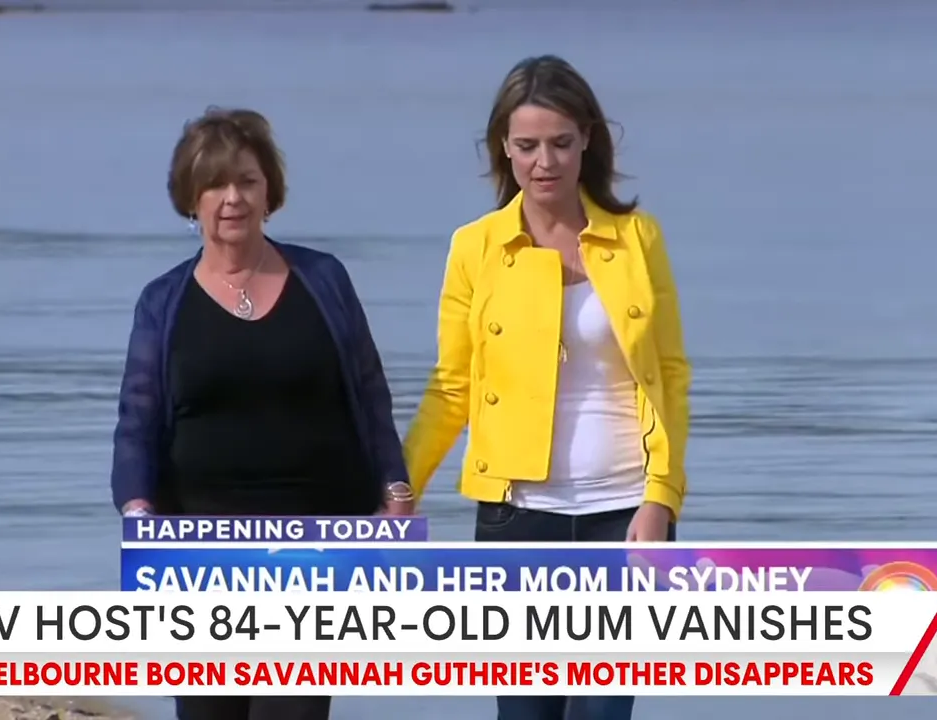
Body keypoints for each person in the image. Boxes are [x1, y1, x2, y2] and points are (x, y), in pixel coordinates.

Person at [396, 55, 692, 720]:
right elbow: (451, 387)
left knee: (602, 713)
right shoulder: (475, 247)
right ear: (504, 147)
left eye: (560, 142)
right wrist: (401, 488)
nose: (545, 162)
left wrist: (661, 499)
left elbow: (671, 376)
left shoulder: (638, 238)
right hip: (518, 514)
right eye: (527, 145)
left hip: (624, 512)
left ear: (588, 138)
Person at [109, 107, 413, 720]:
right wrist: (139, 513)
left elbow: (370, 394)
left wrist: (395, 491)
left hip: (316, 547)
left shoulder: (324, 279)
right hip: (198, 554)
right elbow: (136, 422)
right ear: (190, 199)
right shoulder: (162, 302)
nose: (233, 198)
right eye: (215, 184)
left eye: (247, 181)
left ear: (269, 191)